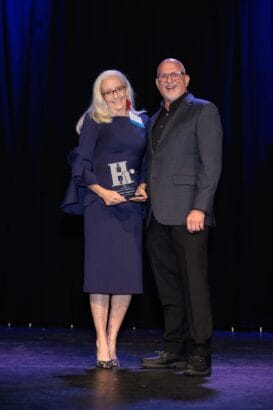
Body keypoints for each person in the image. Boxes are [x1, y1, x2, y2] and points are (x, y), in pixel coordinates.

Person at [61, 70, 148, 369]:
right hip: (101, 205)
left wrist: (143, 186)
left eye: (118, 89)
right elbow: (81, 164)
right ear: (101, 95)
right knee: (100, 276)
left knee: (125, 278)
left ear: (127, 89)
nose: (114, 96)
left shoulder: (141, 121)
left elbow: (146, 163)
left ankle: (112, 340)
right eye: (107, 92)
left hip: (130, 207)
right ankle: (100, 340)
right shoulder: (94, 121)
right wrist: (101, 191)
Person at [141, 58, 223, 376]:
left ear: (186, 79)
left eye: (175, 75)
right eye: (163, 76)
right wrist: (144, 185)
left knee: (194, 286)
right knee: (168, 287)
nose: (169, 80)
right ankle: (174, 348)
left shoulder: (203, 110)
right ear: (156, 82)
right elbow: (154, 162)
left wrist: (200, 207)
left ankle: (200, 352)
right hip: (157, 216)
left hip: (189, 214)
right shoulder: (154, 118)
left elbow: (211, 164)